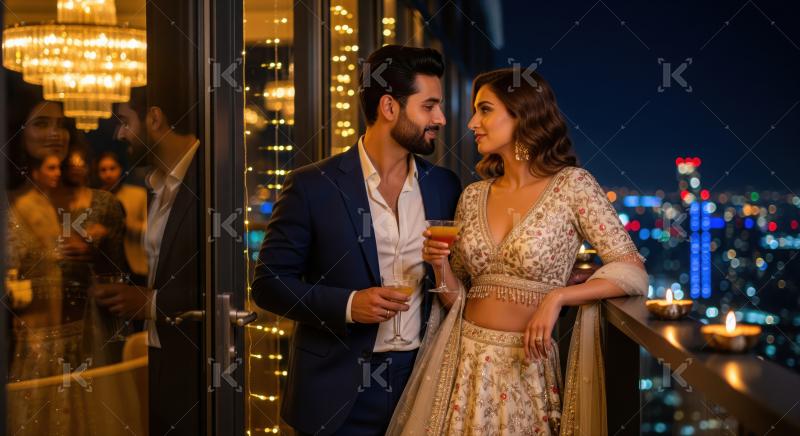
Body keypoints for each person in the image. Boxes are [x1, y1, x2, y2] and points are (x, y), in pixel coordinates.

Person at [387, 69, 649, 435]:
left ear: (522, 113)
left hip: (527, 371)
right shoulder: (474, 195)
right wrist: (439, 263)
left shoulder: (572, 186)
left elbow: (632, 270)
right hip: (462, 369)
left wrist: (558, 296)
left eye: (485, 110)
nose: (472, 122)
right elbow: (457, 299)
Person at [251, 45, 462, 435]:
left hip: (424, 382)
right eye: (429, 106)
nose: (441, 119)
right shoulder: (313, 185)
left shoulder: (445, 186)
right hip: (335, 392)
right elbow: (268, 285)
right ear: (389, 107)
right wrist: (349, 304)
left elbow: (460, 280)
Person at [5, 82, 132, 435]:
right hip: (27, 353)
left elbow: (120, 284)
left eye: (61, 124)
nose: (55, 134)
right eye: (41, 124)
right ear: (18, 130)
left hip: (91, 344)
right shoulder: (8, 205)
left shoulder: (101, 205)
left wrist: (98, 253)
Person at [96, 78, 202, 435]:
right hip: (162, 357)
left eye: (125, 122)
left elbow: (228, 283)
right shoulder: (158, 184)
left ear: (155, 119)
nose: (119, 135)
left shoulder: (211, 179)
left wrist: (151, 303)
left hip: (199, 366)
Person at [96, 151, 149, 282]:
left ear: (120, 169)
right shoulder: (96, 198)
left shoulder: (138, 194)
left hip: (135, 264)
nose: (108, 174)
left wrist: (127, 224)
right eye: (103, 170)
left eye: (112, 168)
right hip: (105, 265)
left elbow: (150, 229)